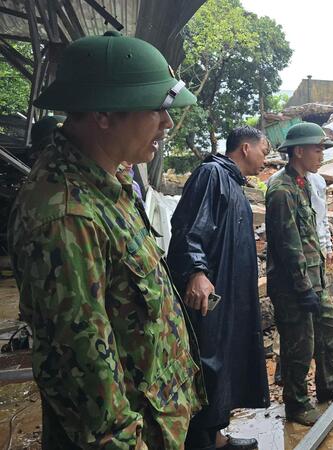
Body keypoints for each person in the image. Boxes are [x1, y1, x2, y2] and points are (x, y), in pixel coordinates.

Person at [7, 31, 204, 448]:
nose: (168, 122)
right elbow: (86, 383)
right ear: (104, 114)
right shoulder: (65, 216)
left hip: (158, 421)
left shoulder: (108, 182)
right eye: (156, 109)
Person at [167, 126, 270, 450]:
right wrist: (196, 271)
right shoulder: (211, 174)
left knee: (224, 363)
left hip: (231, 293)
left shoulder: (233, 183)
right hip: (210, 295)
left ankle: (217, 436)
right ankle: (201, 442)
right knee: (207, 364)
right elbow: (187, 227)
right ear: (245, 148)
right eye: (263, 152)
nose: (265, 160)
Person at [265, 122, 333, 426]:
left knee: (331, 327)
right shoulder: (281, 190)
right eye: (317, 148)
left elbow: (309, 234)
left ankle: (328, 384)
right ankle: (296, 405)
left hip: (313, 279)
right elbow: (288, 245)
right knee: (300, 344)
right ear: (299, 151)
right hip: (293, 285)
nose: (322, 154)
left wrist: (316, 279)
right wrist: (302, 287)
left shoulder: (305, 183)